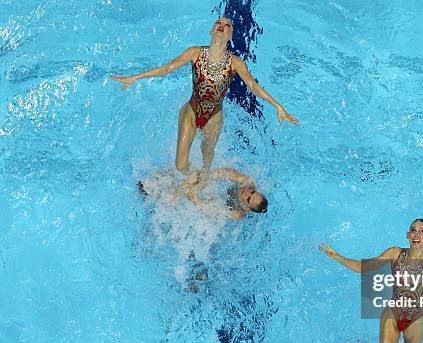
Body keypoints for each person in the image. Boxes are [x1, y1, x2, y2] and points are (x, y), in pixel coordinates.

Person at [111, 17, 299, 186]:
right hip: (191, 112)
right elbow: (167, 68)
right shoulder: (195, 53)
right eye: (218, 23)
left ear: (230, 36)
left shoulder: (235, 62)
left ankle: (204, 180)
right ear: (211, 31)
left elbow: (254, 87)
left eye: (227, 25)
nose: (221, 25)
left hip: (214, 118)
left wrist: (278, 106)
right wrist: (136, 77)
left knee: (207, 157)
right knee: (180, 165)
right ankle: (192, 177)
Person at [138, 166, 266, 220]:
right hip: (218, 192)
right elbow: (222, 172)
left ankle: (151, 194)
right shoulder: (247, 181)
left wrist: (193, 198)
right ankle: (153, 184)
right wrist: (201, 184)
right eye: (252, 192)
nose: (246, 193)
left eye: (248, 199)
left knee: (181, 201)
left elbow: (211, 211)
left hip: (220, 205)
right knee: (193, 174)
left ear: (248, 208)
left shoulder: (238, 214)